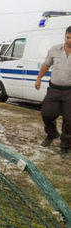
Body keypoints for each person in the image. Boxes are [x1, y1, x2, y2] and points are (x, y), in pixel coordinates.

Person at [35, 26, 71, 158]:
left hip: (69, 92)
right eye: (68, 37)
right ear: (65, 36)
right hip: (54, 89)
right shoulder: (55, 49)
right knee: (46, 113)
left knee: (69, 120)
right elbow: (46, 65)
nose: (69, 40)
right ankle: (52, 134)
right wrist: (39, 79)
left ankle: (65, 146)